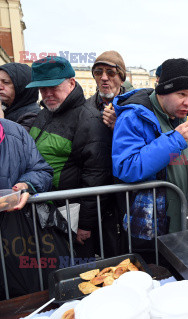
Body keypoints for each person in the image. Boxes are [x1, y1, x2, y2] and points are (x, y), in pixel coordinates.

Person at [0, 63, 53, 306]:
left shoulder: (14, 135)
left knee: (8, 303)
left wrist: (26, 185)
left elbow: (42, 170)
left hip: (7, 243)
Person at [27, 56, 113, 258]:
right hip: (44, 213)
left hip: (69, 217)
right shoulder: (45, 113)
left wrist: (85, 225)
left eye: (53, 87)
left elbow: (96, 178)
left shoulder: (89, 120)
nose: (47, 94)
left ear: (71, 83)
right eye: (42, 89)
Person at [112, 58, 188, 244]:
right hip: (150, 226)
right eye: (181, 94)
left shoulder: (186, 116)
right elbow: (126, 167)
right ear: (163, 91)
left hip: (183, 218)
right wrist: (174, 140)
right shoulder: (133, 116)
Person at [86, 51, 127, 130]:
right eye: (98, 72)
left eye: (111, 72)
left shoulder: (135, 108)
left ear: (122, 80)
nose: (104, 77)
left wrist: (120, 127)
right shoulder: (84, 109)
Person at [0, 62, 40, 130]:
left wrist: (0, 120)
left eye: (6, 82)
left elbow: (13, 140)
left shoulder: (32, 117)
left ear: (22, 86)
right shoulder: (5, 107)